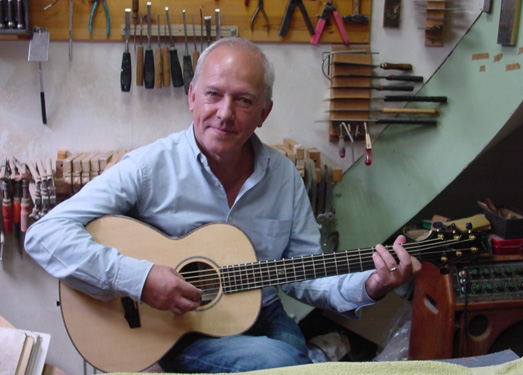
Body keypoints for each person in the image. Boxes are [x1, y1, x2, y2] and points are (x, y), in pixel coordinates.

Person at [25, 37, 421, 373]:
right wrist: (140, 279)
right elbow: (44, 235)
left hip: (263, 316)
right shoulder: (148, 167)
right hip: (179, 327)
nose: (225, 114)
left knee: (285, 355)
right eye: (213, 94)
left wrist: (372, 284)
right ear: (192, 97)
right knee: (283, 362)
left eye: (244, 101)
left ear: (264, 112)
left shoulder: (283, 176)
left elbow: (306, 272)